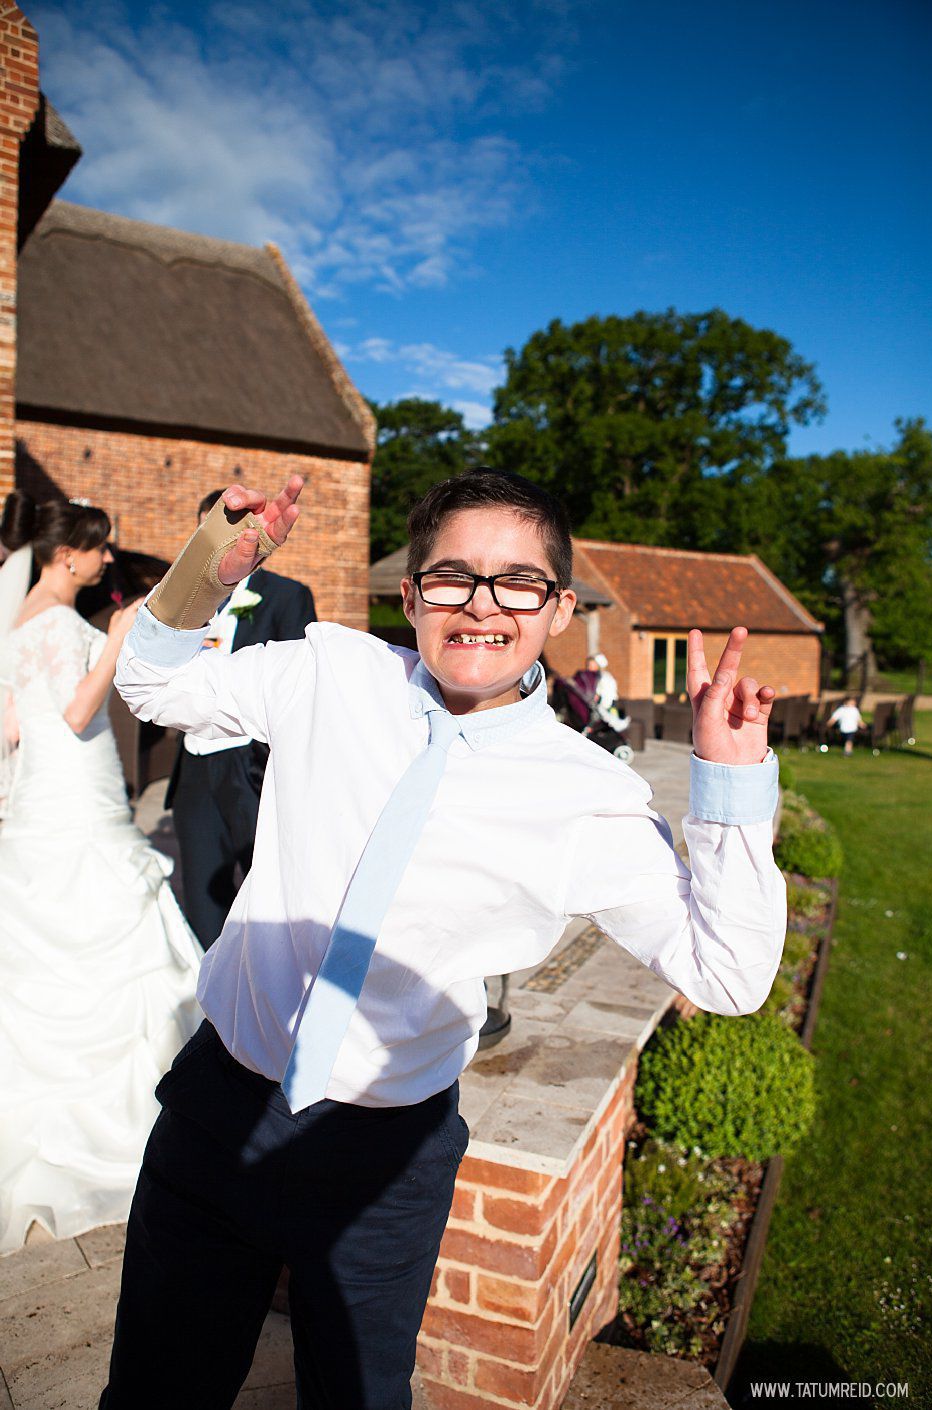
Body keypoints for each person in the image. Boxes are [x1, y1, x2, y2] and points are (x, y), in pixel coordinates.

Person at [100, 468, 786, 1410]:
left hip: (384, 1161)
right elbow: (149, 681)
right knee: (153, 1391)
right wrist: (207, 567)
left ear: (559, 609)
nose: (482, 604)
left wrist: (730, 782)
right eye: (453, 576)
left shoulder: (588, 796)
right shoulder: (331, 672)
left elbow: (730, 973)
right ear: (412, 595)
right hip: (219, 1112)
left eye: (519, 583)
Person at [0, 495, 203, 1255]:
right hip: (75, 789)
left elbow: (12, 727)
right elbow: (76, 714)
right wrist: (116, 641)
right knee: (108, 919)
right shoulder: (58, 624)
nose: (107, 559)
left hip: (39, 793)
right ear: (66, 555)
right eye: (99, 548)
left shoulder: (14, 624)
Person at [165, 488, 316, 948]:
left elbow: (298, 685)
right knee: (201, 894)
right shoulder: (186, 597)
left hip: (251, 765)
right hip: (194, 765)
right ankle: (208, 979)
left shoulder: (287, 596)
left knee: (267, 892)